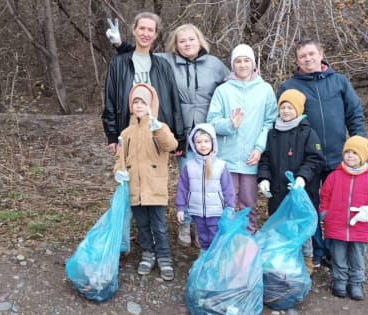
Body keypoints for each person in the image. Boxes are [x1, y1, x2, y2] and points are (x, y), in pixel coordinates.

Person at [106, 21, 230, 247]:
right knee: (189, 177)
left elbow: (235, 80)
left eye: (191, 39)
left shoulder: (215, 64)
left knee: (210, 179)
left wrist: (251, 73)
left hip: (208, 134)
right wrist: (120, 44)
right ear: (176, 45)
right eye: (182, 41)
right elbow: (141, 56)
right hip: (181, 132)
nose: (187, 44)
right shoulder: (166, 61)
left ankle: (209, 225)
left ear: (199, 40)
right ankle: (186, 224)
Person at [278, 38, 366, 267]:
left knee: (337, 206)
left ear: (321, 54)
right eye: (302, 56)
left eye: (311, 54)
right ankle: (315, 251)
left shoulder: (339, 82)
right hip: (306, 160)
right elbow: (283, 122)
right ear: (297, 61)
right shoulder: (290, 87)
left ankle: (334, 251)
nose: (308, 59)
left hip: (339, 157)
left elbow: (354, 113)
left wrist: (359, 146)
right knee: (310, 204)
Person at [207, 44, 278, 233]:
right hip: (227, 159)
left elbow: (270, 122)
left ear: (253, 64)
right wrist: (230, 125)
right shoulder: (223, 90)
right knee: (226, 203)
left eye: (247, 60)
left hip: (251, 158)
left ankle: (247, 242)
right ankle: (226, 240)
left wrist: (259, 148)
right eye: (238, 61)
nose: (243, 65)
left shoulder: (265, 90)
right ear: (232, 65)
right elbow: (211, 122)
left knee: (248, 203)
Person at [113, 83, 178, 281]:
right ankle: (147, 254)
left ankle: (164, 257)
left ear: (150, 105)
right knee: (142, 224)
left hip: (155, 187)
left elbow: (171, 145)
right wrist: (118, 172)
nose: (139, 106)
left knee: (159, 225)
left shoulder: (159, 127)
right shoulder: (126, 133)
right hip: (135, 188)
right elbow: (119, 159)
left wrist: (157, 129)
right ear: (131, 106)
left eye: (143, 102)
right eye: (135, 102)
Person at [257, 89, 325, 275]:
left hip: (300, 192)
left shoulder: (308, 133)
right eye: (283, 107)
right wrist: (264, 179)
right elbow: (265, 159)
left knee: (301, 229)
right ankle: (281, 261)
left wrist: (302, 177)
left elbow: (315, 158)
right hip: (278, 193)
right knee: (279, 227)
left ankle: (307, 261)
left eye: (290, 107)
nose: (286, 111)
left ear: (298, 109)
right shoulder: (272, 133)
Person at [102, 12, 184, 156]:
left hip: (157, 133)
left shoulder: (163, 65)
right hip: (128, 131)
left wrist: (179, 136)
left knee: (155, 176)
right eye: (142, 28)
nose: (145, 33)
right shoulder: (118, 63)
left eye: (150, 30)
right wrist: (112, 135)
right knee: (129, 176)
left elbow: (174, 102)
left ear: (156, 34)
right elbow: (110, 100)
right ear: (134, 30)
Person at [319, 135, 368, 300]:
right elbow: (324, 196)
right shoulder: (334, 176)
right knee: (338, 255)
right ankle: (340, 280)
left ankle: (356, 283)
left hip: (359, 227)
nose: (350, 156)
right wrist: (324, 213)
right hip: (336, 225)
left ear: (362, 156)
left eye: (355, 153)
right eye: (347, 152)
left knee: (357, 257)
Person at [175, 123, 235, 254]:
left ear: (213, 142)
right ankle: (204, 261)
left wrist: (230, 208)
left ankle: (214, 262)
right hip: (197, 211)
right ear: (194, 144)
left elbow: (228, 189)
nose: (203, 145)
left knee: (214, 238)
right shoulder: (189, 166)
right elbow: (182, 188)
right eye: (199, 142)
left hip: (216, 211)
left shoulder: (220, 166)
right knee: (202, 238)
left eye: (206, 141)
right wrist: (180, 208)